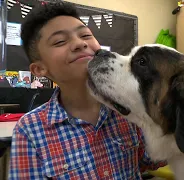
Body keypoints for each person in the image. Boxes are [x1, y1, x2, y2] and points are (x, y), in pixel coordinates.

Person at [8, 2, 165, 179]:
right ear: (40, 69)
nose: (80, 43)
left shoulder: (129, 108)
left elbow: (154, 160)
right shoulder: (29, 130)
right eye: (60, 41)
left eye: (85, 34)